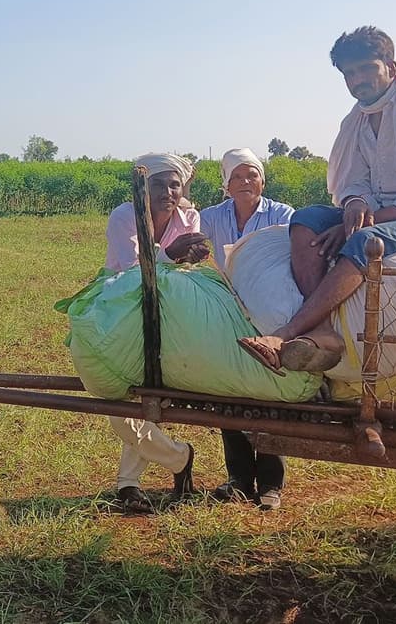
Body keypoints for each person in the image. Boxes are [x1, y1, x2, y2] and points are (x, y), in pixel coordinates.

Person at [238, 27, 396, 384]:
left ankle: (286, 332)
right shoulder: (356, 122)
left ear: (391, 67)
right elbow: (354, 181)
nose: (357, 80)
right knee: (305, 220)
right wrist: (354, 205)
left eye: (366, 69)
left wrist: (366, 221)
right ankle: (325, 331)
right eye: (349, 73)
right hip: (379, 208)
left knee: (364, 242)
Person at [104, 152, 209, 513]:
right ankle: (179, 458)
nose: (167, 191)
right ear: (144, 188)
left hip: (169, 309)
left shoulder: (189, 216)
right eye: (159, 184)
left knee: (149, 391)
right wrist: (171, 254)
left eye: (174, 185)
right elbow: (133, 270)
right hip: (122, 305)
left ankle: (128, 484)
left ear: (183, 189)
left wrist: (193, 255)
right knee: (116, 396)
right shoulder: (125, 215)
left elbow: (186, 267)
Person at [200, 148, 294, 510]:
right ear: (226, 185)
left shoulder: (282, 214)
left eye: (251, 175)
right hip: (228, 310)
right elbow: (188, 230)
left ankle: (271, 483)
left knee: (271, 390)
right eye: (236, 177)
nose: (244, 182)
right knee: (232, 389)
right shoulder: (212, 217)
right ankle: (238, 478)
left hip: (270, 311)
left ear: (262, 180)